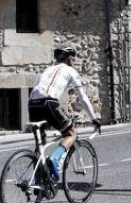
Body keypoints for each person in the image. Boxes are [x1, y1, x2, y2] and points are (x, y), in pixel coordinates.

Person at [28, 46, 101, 181]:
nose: (73, 62)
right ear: (69, 58)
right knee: (71, 134)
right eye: (73, 59)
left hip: (32, 104)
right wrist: (94, 118)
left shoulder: (47, 70)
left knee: (40, 145)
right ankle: (55, 160)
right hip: (49, 102)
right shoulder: (70, 71)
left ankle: (38, 184)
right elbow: (82, 98)